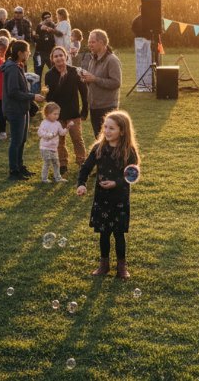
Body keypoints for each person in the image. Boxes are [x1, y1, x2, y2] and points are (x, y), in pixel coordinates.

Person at [76, 110, 141, 280]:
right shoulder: (99, 148)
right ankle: (103, 265)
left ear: (122, 131)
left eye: (112, 128)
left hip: (119, 198)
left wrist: (116, 183)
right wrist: (81, 184)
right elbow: (86, 168)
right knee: (104, 233)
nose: (107, 131)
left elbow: (132, 174)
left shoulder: (128, 151)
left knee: (119, 233)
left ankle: (121, 267)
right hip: (102, 199)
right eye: (105, 127)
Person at [1, 40, 45, 178]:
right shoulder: (12, 68)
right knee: (16, 141)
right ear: (20, 53)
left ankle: (20, 166)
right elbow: (13, 91)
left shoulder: (17, 66)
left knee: (22, 140)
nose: (29, 53)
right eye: (27, 51)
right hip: (15, 110)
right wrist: (32, 96)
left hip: (22, 108)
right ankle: (14, 171)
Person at [44, 46, 89, 175]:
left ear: (66, 57)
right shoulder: (49, 75)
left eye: (61, 55)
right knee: (59, 141)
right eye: (56, 56)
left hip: (73, 113)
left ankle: (82, 162)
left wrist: (85, 110)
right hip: (57, 116)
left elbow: (84, 92)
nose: (59, 58)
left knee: (77, 139)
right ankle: (63, 164)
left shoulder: (75, 72)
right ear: (52, 59)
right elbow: (49, 98)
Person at [81, 29, 122, 138]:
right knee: (99, 138)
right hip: (94, 106)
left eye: (93, 42)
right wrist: (86, 79)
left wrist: (95, 79)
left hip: (107, 107)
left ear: (102, 42)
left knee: (110, 140)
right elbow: (93, 81)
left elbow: (116, 83)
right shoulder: (92, 59)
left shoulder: (112, 60)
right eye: (89, 42)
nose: (89, 44)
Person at [37, 102, 69, 183]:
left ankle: (58, 178)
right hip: (45, 147)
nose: (57, 116)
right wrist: (49, 135)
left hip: (54, 148)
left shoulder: (57, 123)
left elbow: (62, 133)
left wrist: (67, 128)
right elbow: (40, 133)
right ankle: (44, 179)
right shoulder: (44, 123)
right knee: (47, 162)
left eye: (58, 114)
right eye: (54, 114)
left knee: (56, 163)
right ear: (47, 114)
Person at [32, 11, 58, 78]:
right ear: (42, 19)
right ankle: (37, 88)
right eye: (45, 17)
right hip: (39, 53)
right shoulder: (39, 26)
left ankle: (54, 88)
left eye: (49, 17)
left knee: (55, 72)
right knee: (38, 74)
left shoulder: (54, 26)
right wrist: (34, 36)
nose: (47, 19)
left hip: (50, 53)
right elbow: (35, 39)